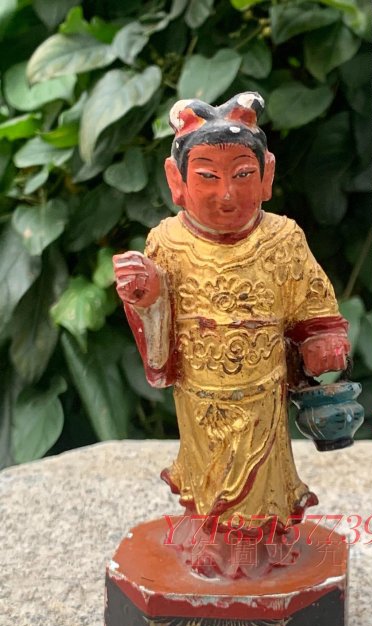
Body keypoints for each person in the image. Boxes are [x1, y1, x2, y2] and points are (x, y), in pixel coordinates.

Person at [113, 92, 350, 577]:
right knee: (208, 475)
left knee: (260, 478)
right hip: (200, 395)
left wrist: (321, 339)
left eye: (242, 175)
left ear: (266, 176)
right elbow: (156, 315)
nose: (226, 195)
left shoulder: (282, 238)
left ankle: (258, 547)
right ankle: (211, 538)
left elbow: (313, 304)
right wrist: (147, 295)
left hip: (263, 394)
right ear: (176, 181)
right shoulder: (168, 241)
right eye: (207, 176)